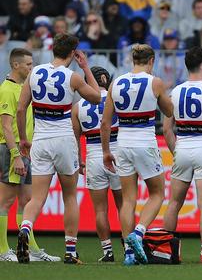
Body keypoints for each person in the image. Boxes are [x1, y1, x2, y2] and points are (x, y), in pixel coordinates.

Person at [15, 34, 101, 264]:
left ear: (53, 49)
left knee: (37, 198)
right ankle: (71, 252)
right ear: (73, 53)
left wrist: (23, 138)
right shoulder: (72, 77)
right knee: (70, 196)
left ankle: (25, 228)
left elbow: (21, 109)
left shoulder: (34, 73)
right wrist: (86, 67)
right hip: (64, 139)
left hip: (41, 140)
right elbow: (96, 97)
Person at [101, 44, 173, 266]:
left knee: (128, 199)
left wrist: (105, 151)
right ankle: (139, 233)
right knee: (157, 193)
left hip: (122, 142)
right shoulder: (155, 82)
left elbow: (105, 122)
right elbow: (170, 111)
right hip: (145, 141)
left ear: (133, 61)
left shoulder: (116, 83)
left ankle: (128, 254)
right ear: (151, 61)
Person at [162, 47, 202, 264]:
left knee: (174, 202)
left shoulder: (175, 92)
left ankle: (168, 250)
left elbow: (166, 129)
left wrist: (175, 151)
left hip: (183, 145)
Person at [0, 48, 60, 263]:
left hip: (25, 149)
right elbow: (6, 126)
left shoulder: (25, 88)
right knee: (5, 201)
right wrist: (15, 154)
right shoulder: (7, 89)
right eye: (28, 65)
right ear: (16, 66)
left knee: (26, 199)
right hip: (11, 149)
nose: (31, 68)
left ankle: (30, 248)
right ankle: (2, 250)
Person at [71, 66, 121, 263]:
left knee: (100, 210)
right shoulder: (114, 97)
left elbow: (75, 138)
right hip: (116, 152)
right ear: (104, 79)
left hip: (92, 156)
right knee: (124, 205)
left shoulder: (78, 107)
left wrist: (80, 161)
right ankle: (130, 248)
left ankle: (108, 251)